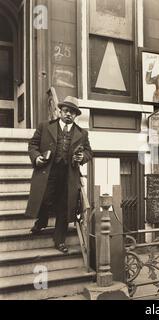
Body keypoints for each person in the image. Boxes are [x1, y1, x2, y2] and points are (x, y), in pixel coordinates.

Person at [26, 96, 93, 253]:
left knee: (64, 206)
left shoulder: (82, 133)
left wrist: (82, 157)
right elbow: (32, 145)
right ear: (60, 111)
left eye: (73, 112)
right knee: (44, 198)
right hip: (47, 171)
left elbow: (89, 152)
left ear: (76, 115)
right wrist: (37, 157)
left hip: (69, 174)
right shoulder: (44, 126)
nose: (69, 114)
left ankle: (60, 240)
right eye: (66, 111)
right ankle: (41, 221)